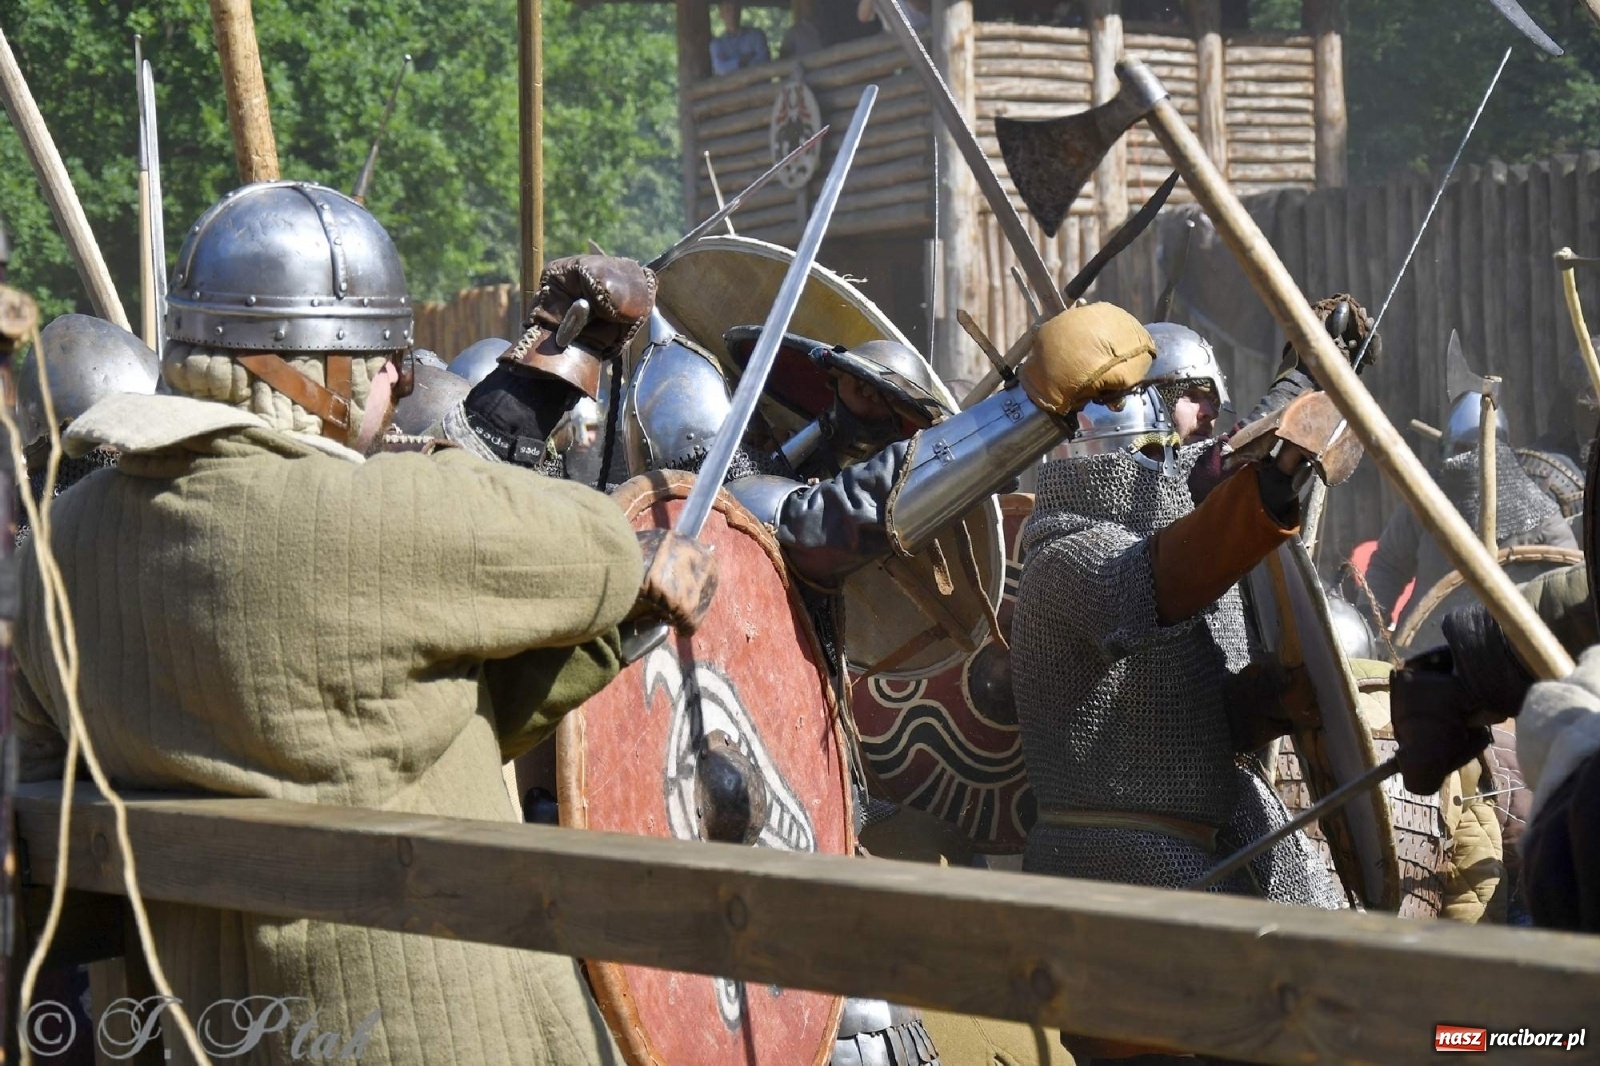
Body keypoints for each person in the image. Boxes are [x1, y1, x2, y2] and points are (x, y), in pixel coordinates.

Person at [11, 181, 717, 1065]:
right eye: (382, 359)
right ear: (306, 371)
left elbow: (374, 712)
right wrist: (643, 568)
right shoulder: (351, 518)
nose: (397, 380)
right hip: (430, 1028)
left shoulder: (56, 552)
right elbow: (597, 544)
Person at [1363, 382, 1575, 647]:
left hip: (1513, 651)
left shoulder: (1536, 511)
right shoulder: (1426, 501)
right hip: (1429, 648)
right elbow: (1388, 566)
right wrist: (1370, 627)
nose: (1466, 463)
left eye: (1469, 452)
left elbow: (1570, 581)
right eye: (1461, 452)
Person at [711, 1, 770, 76]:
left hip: (759, 86)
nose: (732, 14)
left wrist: (731, 64)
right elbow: (720, 69)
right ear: (721, 14)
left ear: (740, 11)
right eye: (728, 10)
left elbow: (764, 62)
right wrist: (741, 61)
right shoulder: (717, 44)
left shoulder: (756, 36)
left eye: (735, 9)